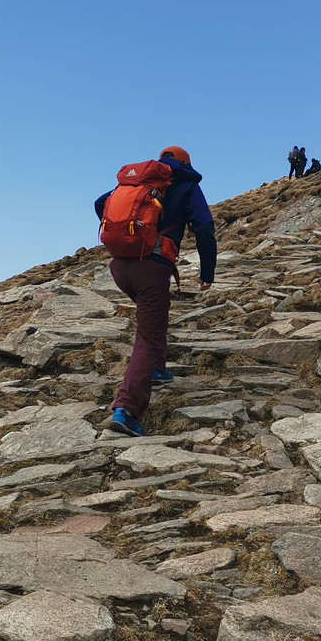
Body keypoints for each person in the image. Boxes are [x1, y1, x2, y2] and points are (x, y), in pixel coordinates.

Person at [95, 146, 216, 437]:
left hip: (119, 266)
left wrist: (126, 233)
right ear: (185, 163)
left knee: (155, 316)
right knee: (147, 336)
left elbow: (101, 204)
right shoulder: (186, 183)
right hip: (151, 266)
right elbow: (204, 227)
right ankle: (126, 409)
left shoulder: (137, 181)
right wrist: (207, 272)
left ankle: (158, 370)